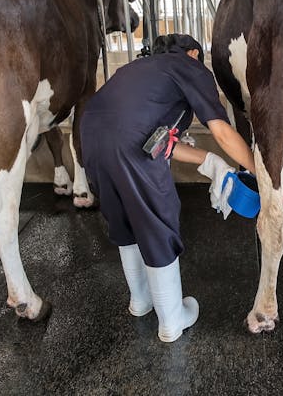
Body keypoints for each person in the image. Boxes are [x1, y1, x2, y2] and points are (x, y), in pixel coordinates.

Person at [80, 33, 255, 343]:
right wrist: (260, 174)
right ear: (192, 53)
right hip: (128, 142)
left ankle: (141, 301)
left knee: (122, 218)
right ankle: (172, 320)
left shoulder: (139, 71)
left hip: (90, 137)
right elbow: (222, 131)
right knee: (156, 218)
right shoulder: (189, 66)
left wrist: (210, 162)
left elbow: (158, 141)